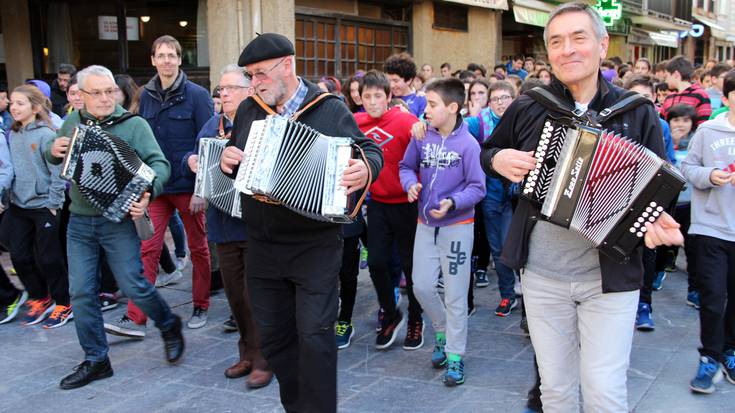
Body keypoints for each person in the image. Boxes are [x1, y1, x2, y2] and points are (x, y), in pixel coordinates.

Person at [479, 3, 683, 411]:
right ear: (548, 52)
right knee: (554, 390)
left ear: (601, 45)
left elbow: (661, 184)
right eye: (556, 41)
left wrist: (654, 219)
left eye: (578, 38)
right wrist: (498, 160)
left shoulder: (636, 111)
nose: (567, 49)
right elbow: (490, 151)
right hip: (541, 274)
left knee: (604, 392)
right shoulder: (529, 104)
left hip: (608, 277)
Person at [219, 33, 382, 413]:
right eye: (250, 75)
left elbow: (368, 149)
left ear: (287, 65)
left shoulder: (329, 108)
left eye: (260, 74)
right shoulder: (249, 110)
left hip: (314, 245)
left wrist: (365, 168)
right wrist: (228, 162)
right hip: (262, 245)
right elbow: (241, 164)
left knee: (315, 338)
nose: (254, 83)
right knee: (274, 339)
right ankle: (297, 406)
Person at [46, 65, 183, 390]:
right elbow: (57, 154)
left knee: (134, 285)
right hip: (79, 220)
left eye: (110, 91)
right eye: (98, 92)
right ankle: (96, 359)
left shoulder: (133, 125)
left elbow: (159, 164)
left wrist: (148, 192)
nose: (106, 98)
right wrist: (53, 151)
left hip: (118, 220)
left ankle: (168, 323)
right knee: (80, 292)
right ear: (82, 95)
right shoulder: (73, 121)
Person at [105, 35, 213, 336]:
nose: (166, 60)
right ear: (153, 59)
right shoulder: (145, 96)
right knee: (147, 248)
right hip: (155, 187)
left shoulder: (197, 95)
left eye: (172, 55)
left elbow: (207, 143)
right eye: (161, 55)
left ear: (180, 59)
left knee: (199, 248)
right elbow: (139, 141)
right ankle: (136, 317)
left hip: (188, 186)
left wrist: (202, 189)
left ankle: (201, 303)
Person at [183, 64, 273, 388]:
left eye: (230, 88)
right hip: (221, 224)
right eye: (220, 89)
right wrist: (191, 161)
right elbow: (193, 155)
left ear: (249, 90)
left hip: (253, 224)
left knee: (255, 294)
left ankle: (264, 358)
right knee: (235, 296)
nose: (223, 94)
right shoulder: (212, 124)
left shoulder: (262, 124)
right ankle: (247, 353)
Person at [400, 77, 485, 386]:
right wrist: (411, 185)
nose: (426, 110)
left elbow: (478, 188)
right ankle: (441, 330)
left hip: (458, 229)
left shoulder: (469, 145)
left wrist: (452, 202)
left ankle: (455, 356)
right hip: (425, 226)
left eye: (432, 104)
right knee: (421, 286)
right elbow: (405, 166)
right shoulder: (422, 136)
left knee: (455, 294)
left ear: (452, 107)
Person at [354, 70, 423, 351]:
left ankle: (417, 319)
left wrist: (423, 127)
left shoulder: (406, 120)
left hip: (407, 204)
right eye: (367, 96)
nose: (372, 102)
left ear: (389, 96)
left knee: (412, 267)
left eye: (377, 96)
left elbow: (427, 145)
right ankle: (390, 312)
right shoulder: (355, 122)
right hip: (378, 203)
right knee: (377, 262)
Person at [681, 70, 735, 394]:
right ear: (726, 96)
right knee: (713, 297)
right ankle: (709, 357)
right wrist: (711, 175)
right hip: (711, 227)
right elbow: (688, 168)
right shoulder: (708, 131)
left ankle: (730, 351)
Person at [0, 85, 69, 328]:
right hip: (19, 205)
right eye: (13, 103)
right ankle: (40, 296)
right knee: (18, 255)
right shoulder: (13, 133)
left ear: (36, 107)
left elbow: (58, 173)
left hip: (44, 206)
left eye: (20, 103)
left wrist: (53, 204)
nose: (14, 107)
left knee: (50, 258)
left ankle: (63, 302)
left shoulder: (46, 135)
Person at [661, 55, 712, 126]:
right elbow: (662, 125)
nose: (665, 80)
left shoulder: (700, 95)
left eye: (667, 76)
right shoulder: (669, 97)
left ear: (676, 74)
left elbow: (703, 125)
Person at [384, 52, 426, 117]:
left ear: (409, 80)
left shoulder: (421, 99)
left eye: (396, 81)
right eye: (388, 80)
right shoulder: (384, 97)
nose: (391, 85)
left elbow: (424, 124)